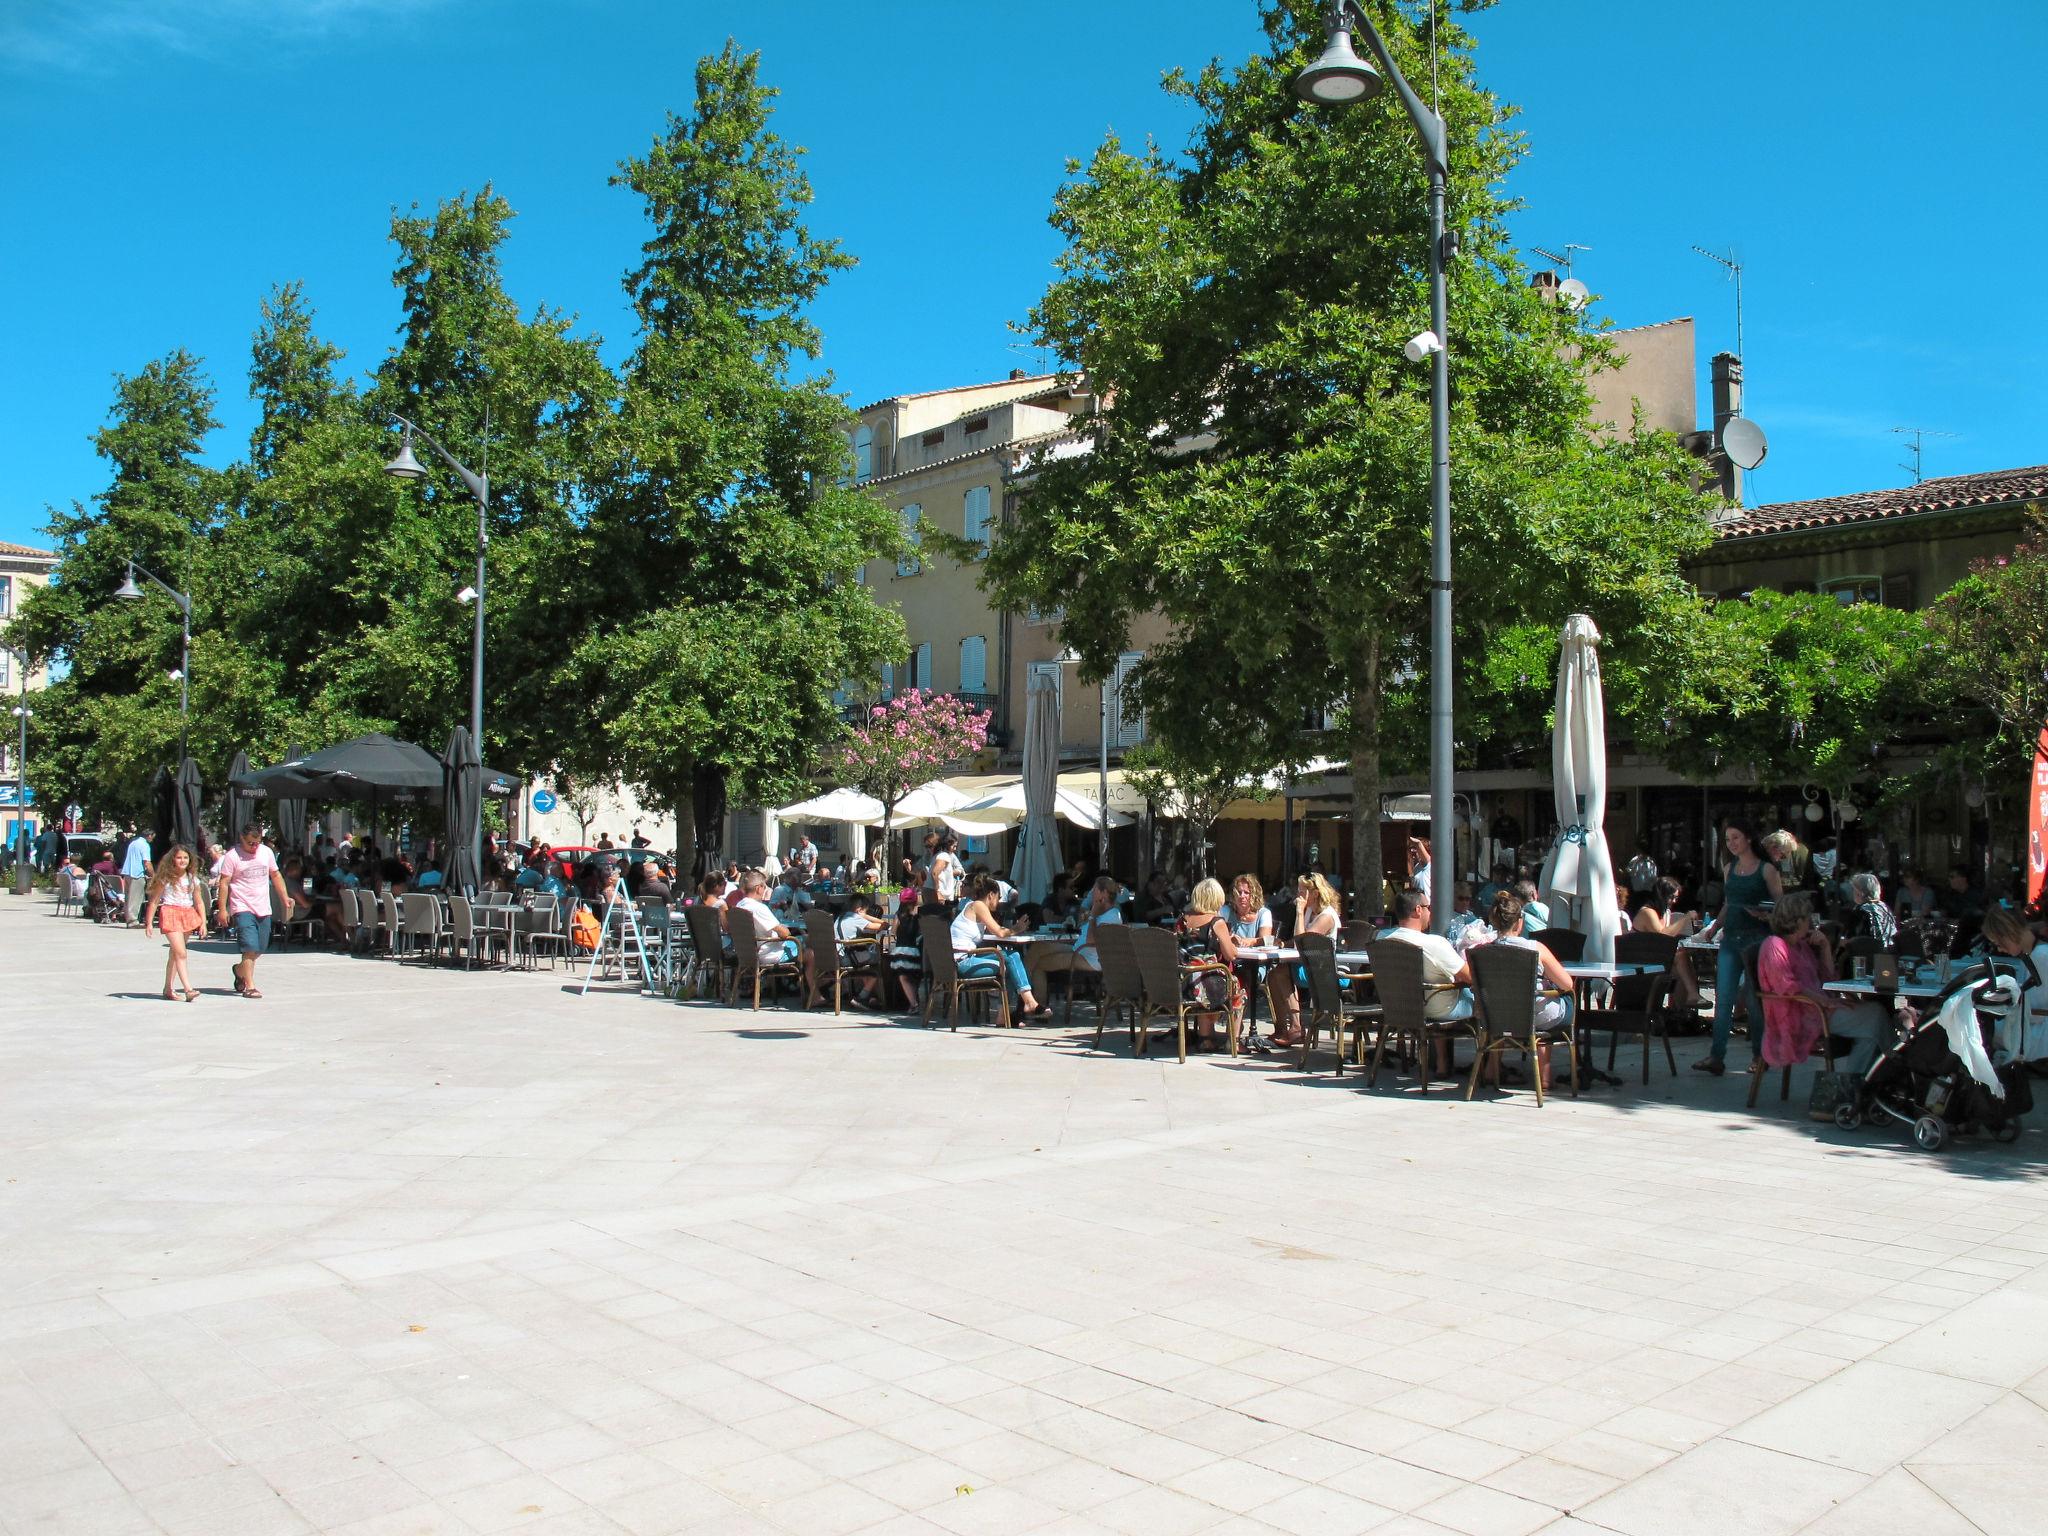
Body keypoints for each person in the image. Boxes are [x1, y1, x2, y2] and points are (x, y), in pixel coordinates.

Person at [1756, 892, 1891, 1078]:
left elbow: (1828, 979)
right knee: (1876, 1015)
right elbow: (1787, 986)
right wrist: (1826, 1003)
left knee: (1870, 1030)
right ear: (1796, 920)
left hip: (1818, 1007)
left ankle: (1857, 1084)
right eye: (1807, 918)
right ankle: (1895, 1065)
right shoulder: (1774, 945)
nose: (1810, 923)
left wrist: (1825, 947)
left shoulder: (1801, 946)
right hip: (1801, 1013)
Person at [1693, 819, 1783, 1075]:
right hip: (1730, 939)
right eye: (1728, 839)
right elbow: (1729, 903)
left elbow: (1782, 906)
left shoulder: (1767, 870)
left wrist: (1767, 916)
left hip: (1758, 940)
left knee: (1754, 1001)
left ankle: (1759, 1055)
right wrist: (1714, 928)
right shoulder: (1729, 868)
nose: (1731, 843)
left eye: (1736, 837)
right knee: (1723, 999)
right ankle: (1716, 1056)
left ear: (1749, 839)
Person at [1480, 890, 1577, 1086]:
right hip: (1535, 1015)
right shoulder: (1536, 948)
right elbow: (1567, 983)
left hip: (1496, 1017)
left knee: (1513, 1005)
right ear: (1520, 922)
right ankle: (1545, 1076)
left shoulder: (1483, 951)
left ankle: (1492, 1069)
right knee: (1564, 999)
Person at [1377, 890, 1476, 1072]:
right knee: (1484, 998)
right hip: (1436, 1008)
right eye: (1428, 907)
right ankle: (1489, 1068)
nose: (1431, 912)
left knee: (1438, 980)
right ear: (1418, 910)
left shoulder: (1381, 938)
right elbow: (1470, 977)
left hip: (1398, 1007)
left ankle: (1442, 1063)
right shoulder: (1434, 943)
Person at [950, 873, 1050, 1020]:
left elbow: (996, 931)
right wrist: (1017, 929)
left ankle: (1004, 1016)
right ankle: (1028, 1002)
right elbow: (1000, 933)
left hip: (959, 959)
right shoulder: (978, 905)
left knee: (1012, 957)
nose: (999, 902)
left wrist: (1013, 928)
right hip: (962, 962)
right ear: (991, 895)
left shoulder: (973, 907)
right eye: (998, 897)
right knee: (1010, 960)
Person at [216, 822, 290, 999]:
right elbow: (224, 883)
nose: (254, 846)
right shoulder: (232, 856)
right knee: (249, 947)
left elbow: (275, 875)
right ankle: (250, 986)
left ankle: (239, 970)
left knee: (261, 948)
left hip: (263, 907)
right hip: (242, 907)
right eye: (250, 843)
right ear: (242, 838)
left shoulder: (266, 852)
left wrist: (284, 897)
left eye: (257, 843)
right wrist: (222, 909)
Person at [1027, 875, 1123, 1008]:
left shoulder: (1111, 916)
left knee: (1039, 965)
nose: (1091, 893)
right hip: (1080, 949)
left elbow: (1092, 940)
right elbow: (1084, 932)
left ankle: (1037, 1006)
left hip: (1091, 959)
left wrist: (1093, 916)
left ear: (1104, 893)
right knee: (1038, 947)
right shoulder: (1103, 911)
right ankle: (1023, 990)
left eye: (1094, 890)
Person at [143, 844, 207, 1002]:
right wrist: (149, 923)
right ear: (173, 859)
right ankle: (188, 989)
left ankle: (168, 989)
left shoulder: (193, 879)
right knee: (181, 953)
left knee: (174, 954)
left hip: (187, 913)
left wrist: (203, 922)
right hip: (170, 913)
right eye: (179, 857)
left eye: (185, 857)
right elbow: (154, 901)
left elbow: (199, 902)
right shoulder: (165, 878)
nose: (182, 860)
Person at [1633, 875, 1703, 1009]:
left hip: (1652, 959)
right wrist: (1686, 918)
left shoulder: (1664, 913)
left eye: (1676, 898)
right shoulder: (1647, 912)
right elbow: (1663, 935)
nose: (1674, 901)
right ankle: (1687, 1003)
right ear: (1661, 895)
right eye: (1671, 897)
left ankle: (1681, 1013)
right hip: (1639, 960)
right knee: (1681, 960)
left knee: (1684, 967)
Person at [887, 890, 926, 1012]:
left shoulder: (898, 915)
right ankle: (914, 1002)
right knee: (914, 978)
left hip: (901, 950)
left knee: (903, 977)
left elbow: (893, 931)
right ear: (915, 901)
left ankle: (913, 1004)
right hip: (915, 951)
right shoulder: (918, 917)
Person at [1843, 871, 1897, 950]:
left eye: (1854, 890)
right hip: (1889, 953)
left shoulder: (1860, 910)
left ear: (1859, 892)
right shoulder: (1884, 907)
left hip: (1867, 955)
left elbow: (1852, 938)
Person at [119, 827, 153, 927]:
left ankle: (128, 918)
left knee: (128, 897)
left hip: (127, 872)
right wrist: (153, 875)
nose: (152, 840)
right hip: (137, 873)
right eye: (152, 838)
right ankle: (133, 921)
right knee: (135, 898)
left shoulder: (133, 843)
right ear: (149, 835)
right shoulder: (144, 845)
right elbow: (147, 863)